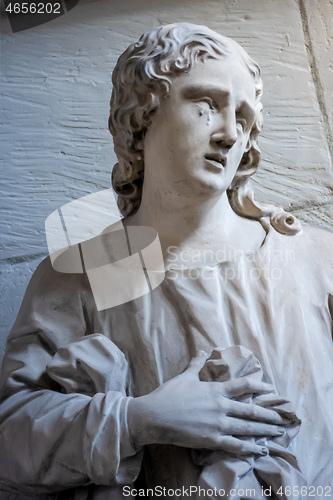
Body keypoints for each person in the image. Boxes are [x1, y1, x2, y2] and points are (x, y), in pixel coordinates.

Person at [0, 23, 332, 500]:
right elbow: (11, 441)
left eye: (243, 116)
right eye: (206, 105)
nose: (229, 133)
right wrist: (139, 420)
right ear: (143, 114)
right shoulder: (78, 278)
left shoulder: (317, 261)